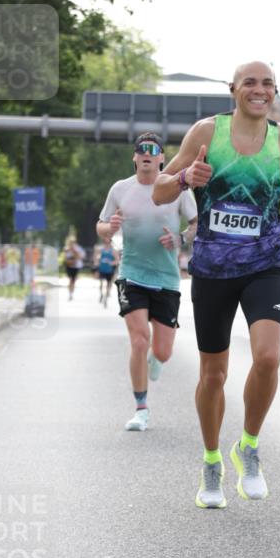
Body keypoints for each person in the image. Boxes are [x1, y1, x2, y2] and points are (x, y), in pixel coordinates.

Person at [153, 60, 280, 508]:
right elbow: (159, 190)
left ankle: (248, 447)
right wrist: (183, 179)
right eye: (250, 83)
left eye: (267, 83)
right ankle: (212, 461)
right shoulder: (206, 134)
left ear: (274, 92)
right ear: (233, 90)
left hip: (266, 262)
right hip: (213, 267)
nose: (259, 90)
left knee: (269, 357)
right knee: (213, 374)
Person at [97, 132, 197, 432]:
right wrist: (109, 227)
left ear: (162, 158)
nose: (147, 155)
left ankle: (158, 359)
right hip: (132, 273)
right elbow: (101, 226)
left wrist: (179, 238)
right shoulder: (120, 189)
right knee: (139, 339)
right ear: (135, 157)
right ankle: (141, 408)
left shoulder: (176, 187)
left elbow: (196, 224)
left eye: (153, 151)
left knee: (163, 351)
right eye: (141, 150)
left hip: (166, 277)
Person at [94, 237, 119, 307]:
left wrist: (111, 263)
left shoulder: (113, 251)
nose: (107, 243)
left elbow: (117, 261)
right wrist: (96, 266)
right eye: (105, 242)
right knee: (101, 283)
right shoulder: (100, 249)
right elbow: (96, 259)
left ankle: (106, 298)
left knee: (108, 284)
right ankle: (101, 294)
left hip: (109, 270)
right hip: (101, 269)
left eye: (108, 242)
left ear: (110, 242)